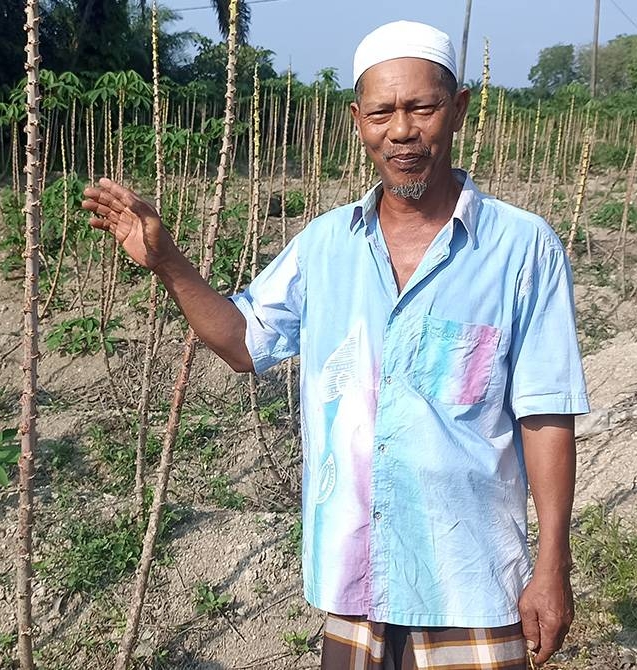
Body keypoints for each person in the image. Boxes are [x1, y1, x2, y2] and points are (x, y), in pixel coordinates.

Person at [82, 19, 589, 670]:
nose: (401, 130)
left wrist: (553, 564)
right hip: (358, 580)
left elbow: (546, 413)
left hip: (473, 580)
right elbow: (243, 344)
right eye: (382, 112)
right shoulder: (324, 246)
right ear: (358, 122)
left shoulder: (522, 248)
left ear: (458, 110)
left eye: (422, 107)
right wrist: (168, 262)